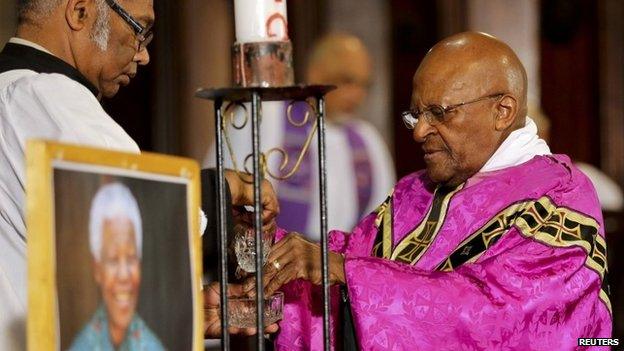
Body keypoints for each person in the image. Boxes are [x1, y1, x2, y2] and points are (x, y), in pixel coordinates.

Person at [259, 32, 611, 350]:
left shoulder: (557, 199)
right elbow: (351, 256)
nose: (418, 132)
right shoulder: (415, 190)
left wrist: (349, 274)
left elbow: (503, 318)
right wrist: (260, 242)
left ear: (502, 111)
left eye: (439, 113)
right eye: (415, 115)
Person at [0, 0, 278, 348]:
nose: (144, 55)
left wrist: (183, 308)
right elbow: (134, 218)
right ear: (80, 11)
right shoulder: (41, 95)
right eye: (139, 29)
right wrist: (221, 189)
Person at [205, 33, 395, 241]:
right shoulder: (265, 115)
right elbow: (223, 192)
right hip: (274, 257)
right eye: (347, 80)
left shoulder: (367, 139)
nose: (357, 95)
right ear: (316, 73)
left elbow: (383, 217)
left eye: (364, 85)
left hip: (340, 265)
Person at [70, 182, 164, 350]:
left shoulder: (152, 346)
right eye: (113, 259)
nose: (123, 275)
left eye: (131, 258)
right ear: (97, 268)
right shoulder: (83, 345)